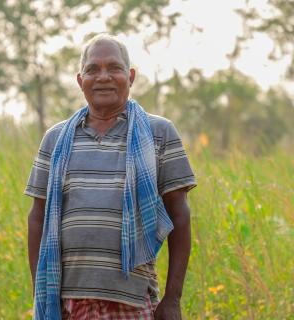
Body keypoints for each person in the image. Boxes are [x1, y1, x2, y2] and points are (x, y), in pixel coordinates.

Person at [25, 34, 197, 320]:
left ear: (130, 77)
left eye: (113, 68)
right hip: (68, 303)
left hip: (133, 302)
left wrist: (173, 299)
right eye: (93, 70)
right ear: (81, 81)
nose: (103, 77)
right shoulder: (55, 139)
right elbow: (37, 217)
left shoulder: (159, 133)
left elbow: (179, 215)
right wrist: (39, 295)